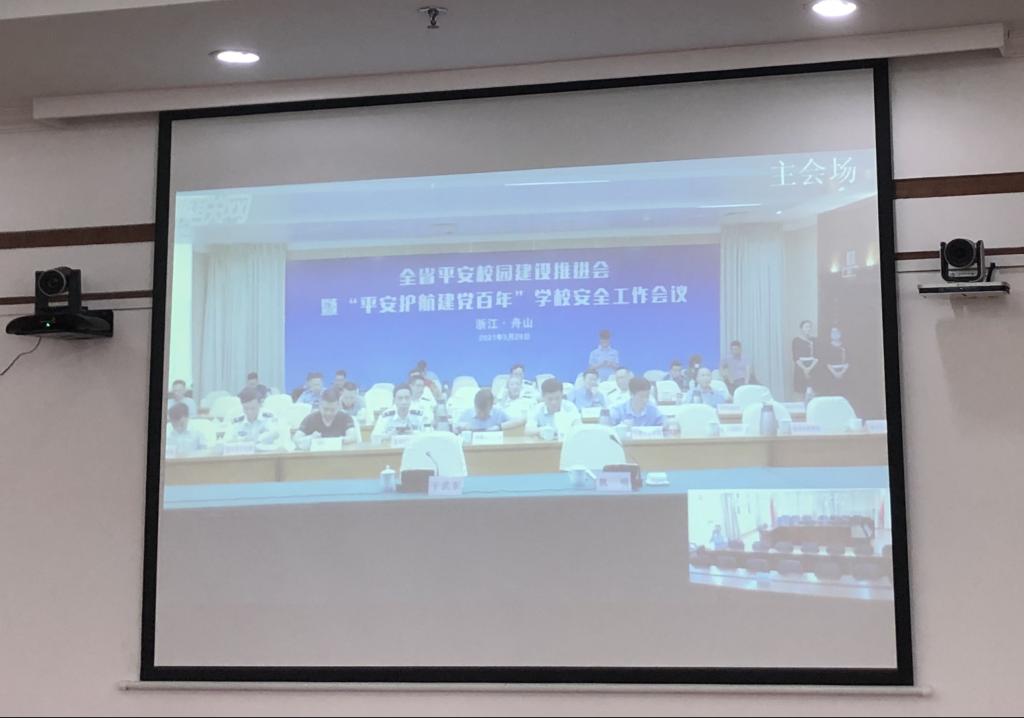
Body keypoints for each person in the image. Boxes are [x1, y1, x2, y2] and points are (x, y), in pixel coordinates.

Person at [293, 387, 358, 449]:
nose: (328, 413)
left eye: (332, 410)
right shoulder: (310, 418)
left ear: (338, 407)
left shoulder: (345, 417)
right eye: (325, 409)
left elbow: (353, 437)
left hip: (340, 455)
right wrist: (310, 438)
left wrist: (338, 440)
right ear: (319, 405)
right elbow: (296, 439)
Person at [455, 389, 520, 432]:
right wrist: (459, 428)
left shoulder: (498, 413)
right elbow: (455, 429)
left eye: (485, 412)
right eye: (479, 412)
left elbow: (520, 421)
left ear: (491, 407)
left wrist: (499, 427)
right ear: (475, 405)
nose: (482, 415)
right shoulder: (466, 414)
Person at [792, 319, 819, 401]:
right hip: (801, 367)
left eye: (810, 327)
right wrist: (805, 369)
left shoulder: (814, 340)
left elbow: (817, 356)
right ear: (801, 328)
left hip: (813, 367)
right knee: (800, 392)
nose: (808, 329)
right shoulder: (796, 340)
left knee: (812, 391)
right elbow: (795, 357)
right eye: (806, 327)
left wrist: (810, 368)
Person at [820, 325, 851, 397]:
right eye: (832, 332)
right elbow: (826, 361)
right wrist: (835, 373)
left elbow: (849, 361)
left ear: (840, 333)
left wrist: (841, 372)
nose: (834, 334)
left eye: (836, 332)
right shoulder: (826, 346)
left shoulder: (846, 346)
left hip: (843, 374)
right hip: (830, 374)